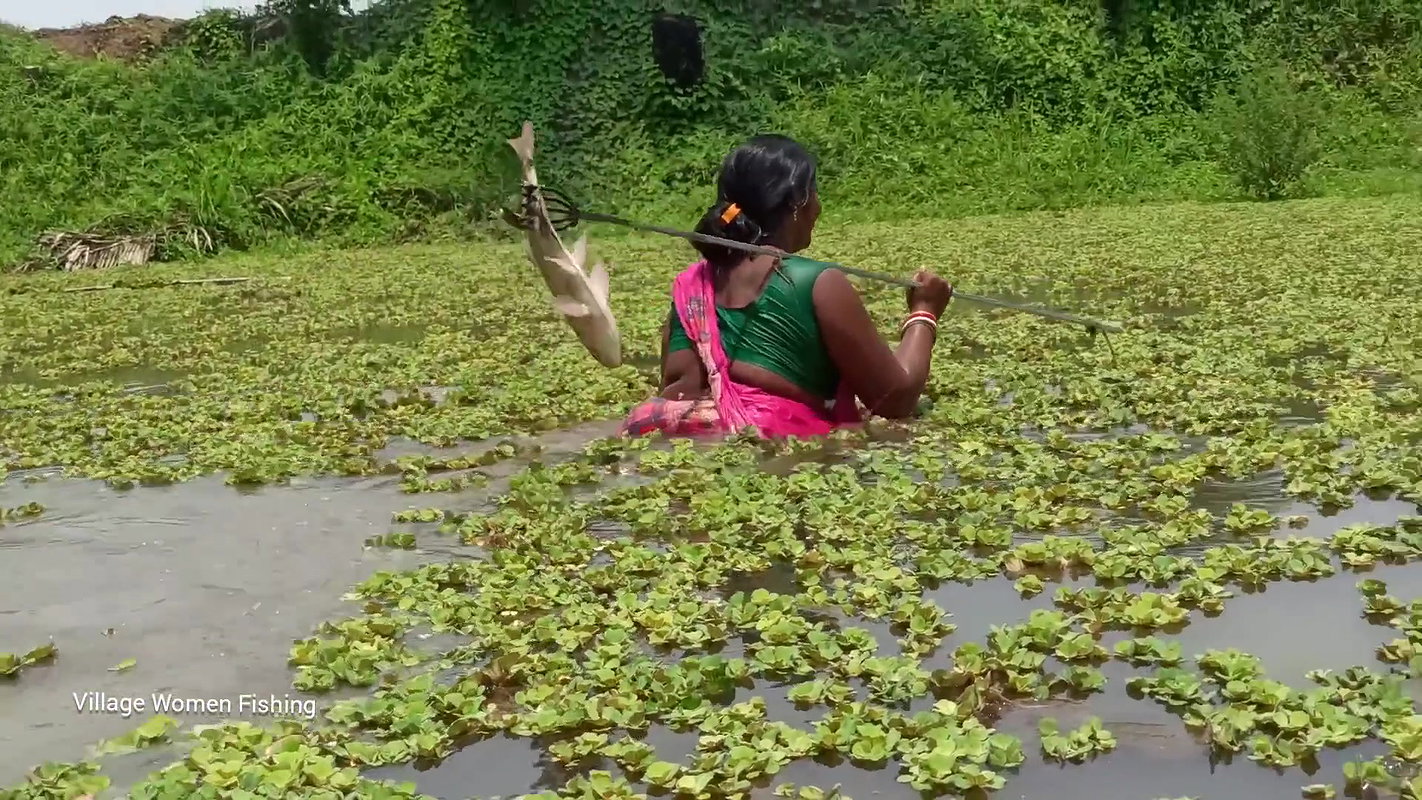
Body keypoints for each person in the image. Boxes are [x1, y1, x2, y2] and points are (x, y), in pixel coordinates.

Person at [619, 134, 954, 439]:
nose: (818, 207)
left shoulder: (690, 286)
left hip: (657, 435)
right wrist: (924, 311)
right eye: (815, 192)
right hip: (754, 446)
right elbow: (895, 400)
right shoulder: (818, 284)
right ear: (798, 201)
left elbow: (678, 383)